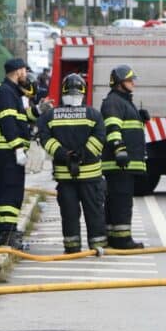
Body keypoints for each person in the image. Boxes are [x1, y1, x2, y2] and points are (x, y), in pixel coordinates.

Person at [39, 74, 107, 253]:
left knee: (69, 213)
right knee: (94, 212)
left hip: (65, 176)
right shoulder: (93, 114)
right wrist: (81, 155)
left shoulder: (50, 115)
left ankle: (72, 248)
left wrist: (64, 155)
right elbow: (99, 138)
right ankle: (97, 246)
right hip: (91, 176)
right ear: (83, 91)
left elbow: (45, 139)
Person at [0, 58, 38, 249]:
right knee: (11, 194)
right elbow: (8, 122)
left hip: (4, 151)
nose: (26, 74)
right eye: (24, 70)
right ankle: (7, 232)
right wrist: (17, 147)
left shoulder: (7, 91)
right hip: (8, 151)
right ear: (18, 72)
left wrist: (38, 111)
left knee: (2, 193)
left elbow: (20, 116)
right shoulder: (7, 92)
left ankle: (0, 231)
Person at [101, 65, 147, 249]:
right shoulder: (114, 102)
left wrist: (139, 118)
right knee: (122, 202)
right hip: (119, 164)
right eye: (129, 80)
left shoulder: (123, 101)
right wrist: (119, 150)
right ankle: (122, 239)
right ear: (119, 83)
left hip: (124, 164)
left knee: (116, 201)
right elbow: (113, 128)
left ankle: (113, 236)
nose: (132, 83)